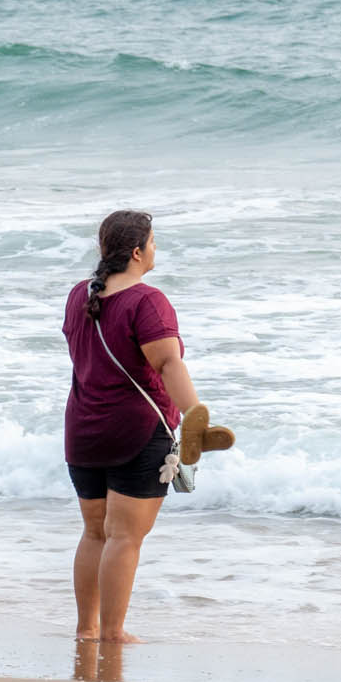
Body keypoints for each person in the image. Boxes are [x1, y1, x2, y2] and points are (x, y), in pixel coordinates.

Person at [61, 209, 202, 644]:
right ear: (138, 252)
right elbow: (166, 363)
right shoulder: (146, 301)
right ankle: (113, 632)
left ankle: (87, 629)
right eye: (154, 242)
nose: (156, 250)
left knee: (94, 532)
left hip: (83, 430)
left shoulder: (80, 295)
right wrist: (197, 416)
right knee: (124, 537)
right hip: (135, 432)